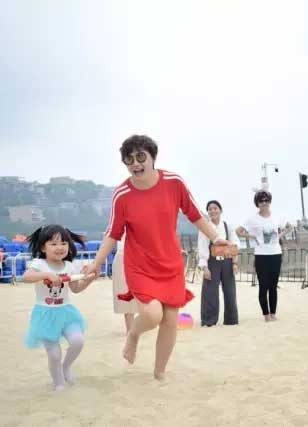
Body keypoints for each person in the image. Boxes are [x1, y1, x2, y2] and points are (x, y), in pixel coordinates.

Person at [82, 135, 229, 380]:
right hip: (139, 265)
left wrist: (216, 238)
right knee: (152, 315)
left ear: (153, 158)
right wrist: (96, 263)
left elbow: (195, 214)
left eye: (141, 157)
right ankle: (133, 334)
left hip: (170, 263)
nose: (135, 164)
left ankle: (159, 372)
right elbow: (113, 233)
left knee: (170, 319)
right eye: (129, 159)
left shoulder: (174, 183)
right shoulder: (122, 194)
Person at [23, 225, 97, 391]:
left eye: (64, 243)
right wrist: (46, 275)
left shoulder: (69, 266)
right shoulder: (39, 263)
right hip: (45, 315)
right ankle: (58, 383)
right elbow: (27, 277)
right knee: (54, 354)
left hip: (66, 312)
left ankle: (66, 366)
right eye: (54, 244)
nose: (60, 247)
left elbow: (75, 289)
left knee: (78, 341)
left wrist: (88, 280)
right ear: (43, 247)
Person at [236, 190, 292, 322]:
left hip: (276, 254)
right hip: (261, 255)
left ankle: (273, 314)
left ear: (269, 201)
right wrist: (253, 237)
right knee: (263, 285)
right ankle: (266, 315)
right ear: (257, 203)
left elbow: (290, 227)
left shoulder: (277, 216)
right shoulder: (252, 219)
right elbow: (238, 231)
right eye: (261, 200)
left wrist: (279, 236)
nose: (264, 203)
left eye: (266, 200)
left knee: (273, 285)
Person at [197, 200, 240, 327]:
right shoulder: (205, 227)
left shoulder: (228, 226)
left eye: (215, 208)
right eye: (210, 209)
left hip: (227, 262)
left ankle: (231, 320)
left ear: (220, 210)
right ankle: (208, 321)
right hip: (212, 263)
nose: (212, 211)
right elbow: (202, 248)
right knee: (210, 292)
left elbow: (234, 244)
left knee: (230, 291)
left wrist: (234, 263)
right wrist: (204, 267)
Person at [111, 234, 136, 333]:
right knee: (126, 293)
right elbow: (110, 236)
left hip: (144, 253)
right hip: (124, 253)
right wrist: (97, 263)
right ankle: (130, 329)